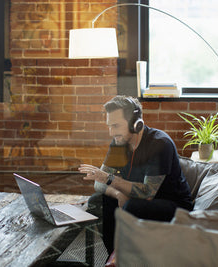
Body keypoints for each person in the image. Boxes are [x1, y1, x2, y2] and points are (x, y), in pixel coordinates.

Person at [78, 95, 193, 255]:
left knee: (131, 206)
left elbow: (147, 192)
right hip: (135, 199)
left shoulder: (159, 144)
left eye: (116, 126)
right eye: (109, 126)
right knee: (97, 200)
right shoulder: (119, 142)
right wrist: (117, 193)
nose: (112, 132)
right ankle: (114, 256)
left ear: (135, 124)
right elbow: (99, 184)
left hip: (173, 205)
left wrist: (109, 179)